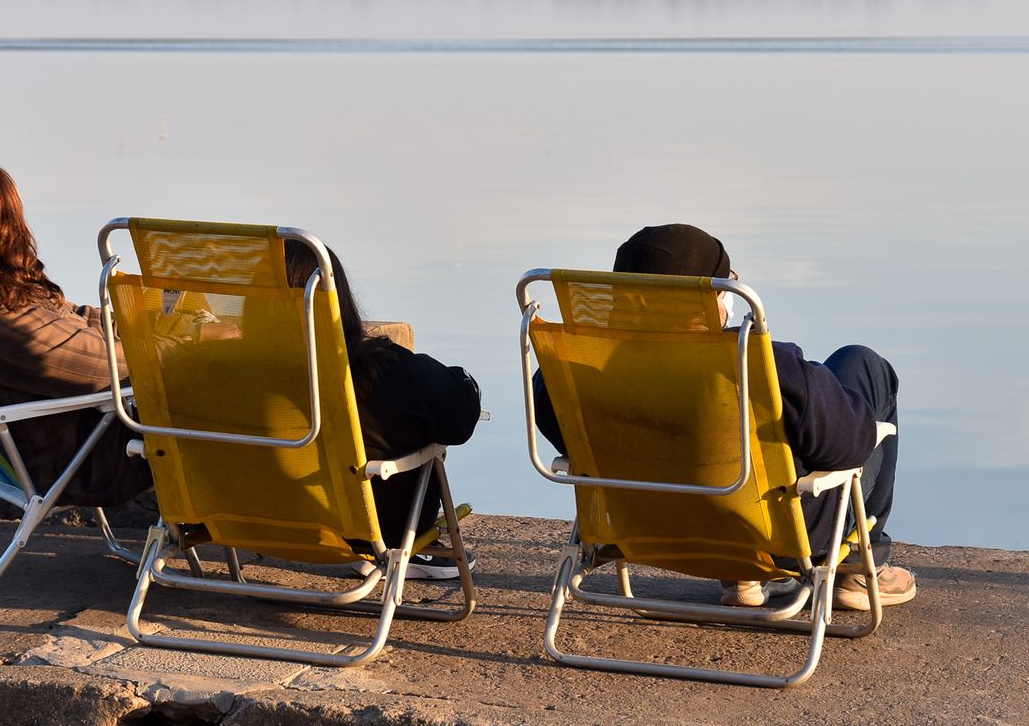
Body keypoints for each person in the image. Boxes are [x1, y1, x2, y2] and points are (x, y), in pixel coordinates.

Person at [531, 223, 914, 610]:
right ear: (709, 295)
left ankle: (745, 574)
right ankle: (857, 571)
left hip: (639, 528)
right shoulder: (761, 365)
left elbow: (567, 438)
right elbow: (849, 448)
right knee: (861, 365)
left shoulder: (568, 372)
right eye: (726, 280)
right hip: (776, 535)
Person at [0, 161, 152, 506]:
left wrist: (157, 324)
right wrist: (183, 347)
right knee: (212, 402)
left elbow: (74, 319)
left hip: (77, 441)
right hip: (84, 462)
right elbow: (104, 365)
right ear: (4, 226)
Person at [283, 240, 482, 580]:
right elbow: (459, 421)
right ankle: (405, 548)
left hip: (258, 527)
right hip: (367, 535)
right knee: (428, 430)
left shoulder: (214, 373)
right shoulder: (384, 373)